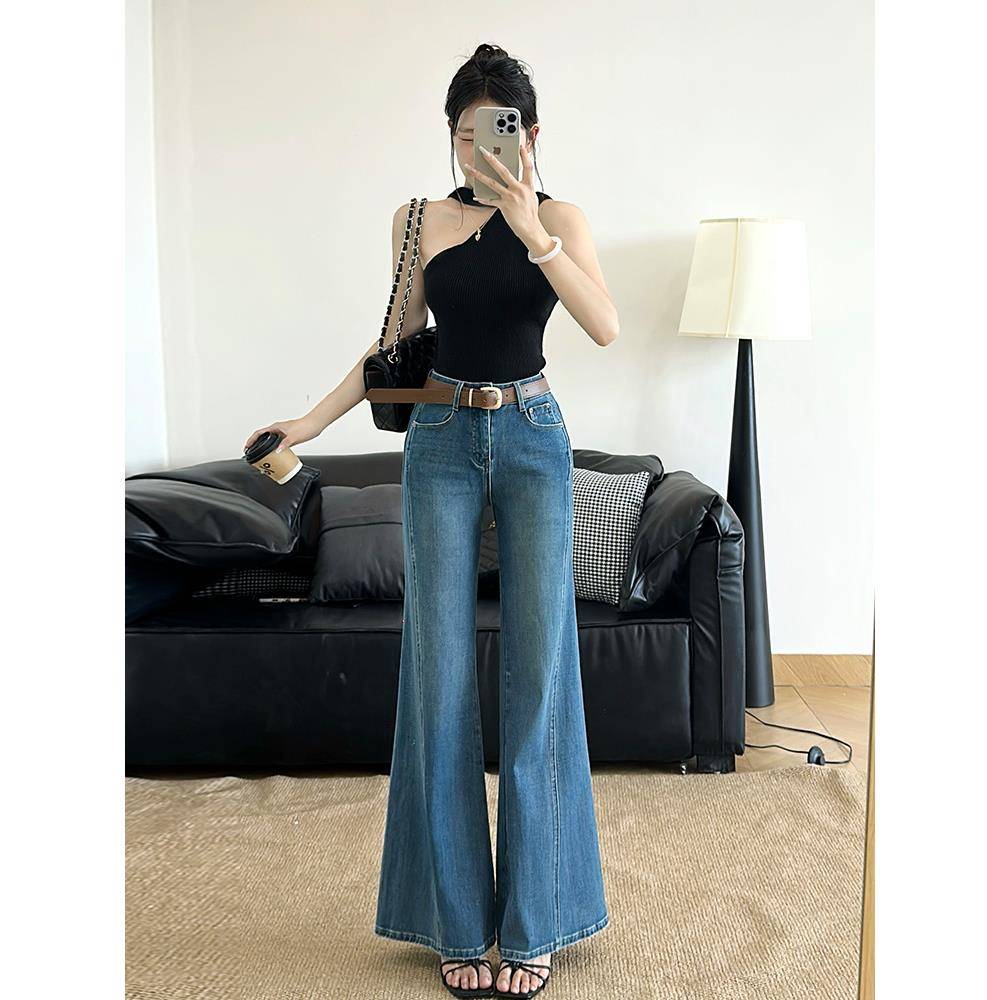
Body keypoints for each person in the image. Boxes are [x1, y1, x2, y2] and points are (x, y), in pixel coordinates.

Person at [243, 43, 619, 998]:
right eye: (461, 135)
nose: (476, 152)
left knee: (539, 675)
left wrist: (532, 229)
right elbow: (393, 348)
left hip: (534, 434)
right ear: (449, 137)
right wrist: (308, 423)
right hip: (442, 441)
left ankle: (534, 923)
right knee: (439, 676)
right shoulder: (418, 221)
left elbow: (604, 326)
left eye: (495, 133)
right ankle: (455, 921)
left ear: (529, 134)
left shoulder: (560, 218)